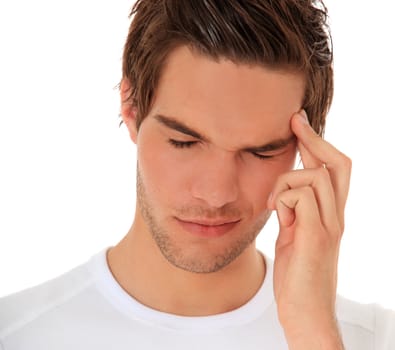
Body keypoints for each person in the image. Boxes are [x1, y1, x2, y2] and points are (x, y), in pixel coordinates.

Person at [0, 0, 394, 349]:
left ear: (308, 148)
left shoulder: (372, 339)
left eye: (261, 151)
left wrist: (314, 335)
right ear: (132, 108)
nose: (216, 193)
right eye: (184, 142)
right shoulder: (15, 334)